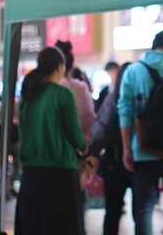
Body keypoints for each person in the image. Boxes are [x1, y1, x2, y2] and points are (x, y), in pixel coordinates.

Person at [118, 31, 163, 235]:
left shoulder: (134, 71)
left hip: (143, 149)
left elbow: (125, 112)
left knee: (143, 209)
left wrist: (127, 148)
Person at [15, 47, 86, 235]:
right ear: (60, 67)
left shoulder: (28, 96)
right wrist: (86, 147)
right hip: (60, 174)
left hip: (31, 176)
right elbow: (76, 137)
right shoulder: (63, 95)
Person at [55, 41, 96, 235]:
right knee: (76, 207)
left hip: (49, 160)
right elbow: (90, 121)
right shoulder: (78, 88)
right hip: (75, 157)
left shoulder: (40, 91)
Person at [89, 62, 134, 235]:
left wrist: (93, 152)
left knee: (112, 212)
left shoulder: (113, 98)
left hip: (114, 161)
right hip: (141, 160)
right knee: (142, 211)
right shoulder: (143, 97)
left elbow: (100, 130)